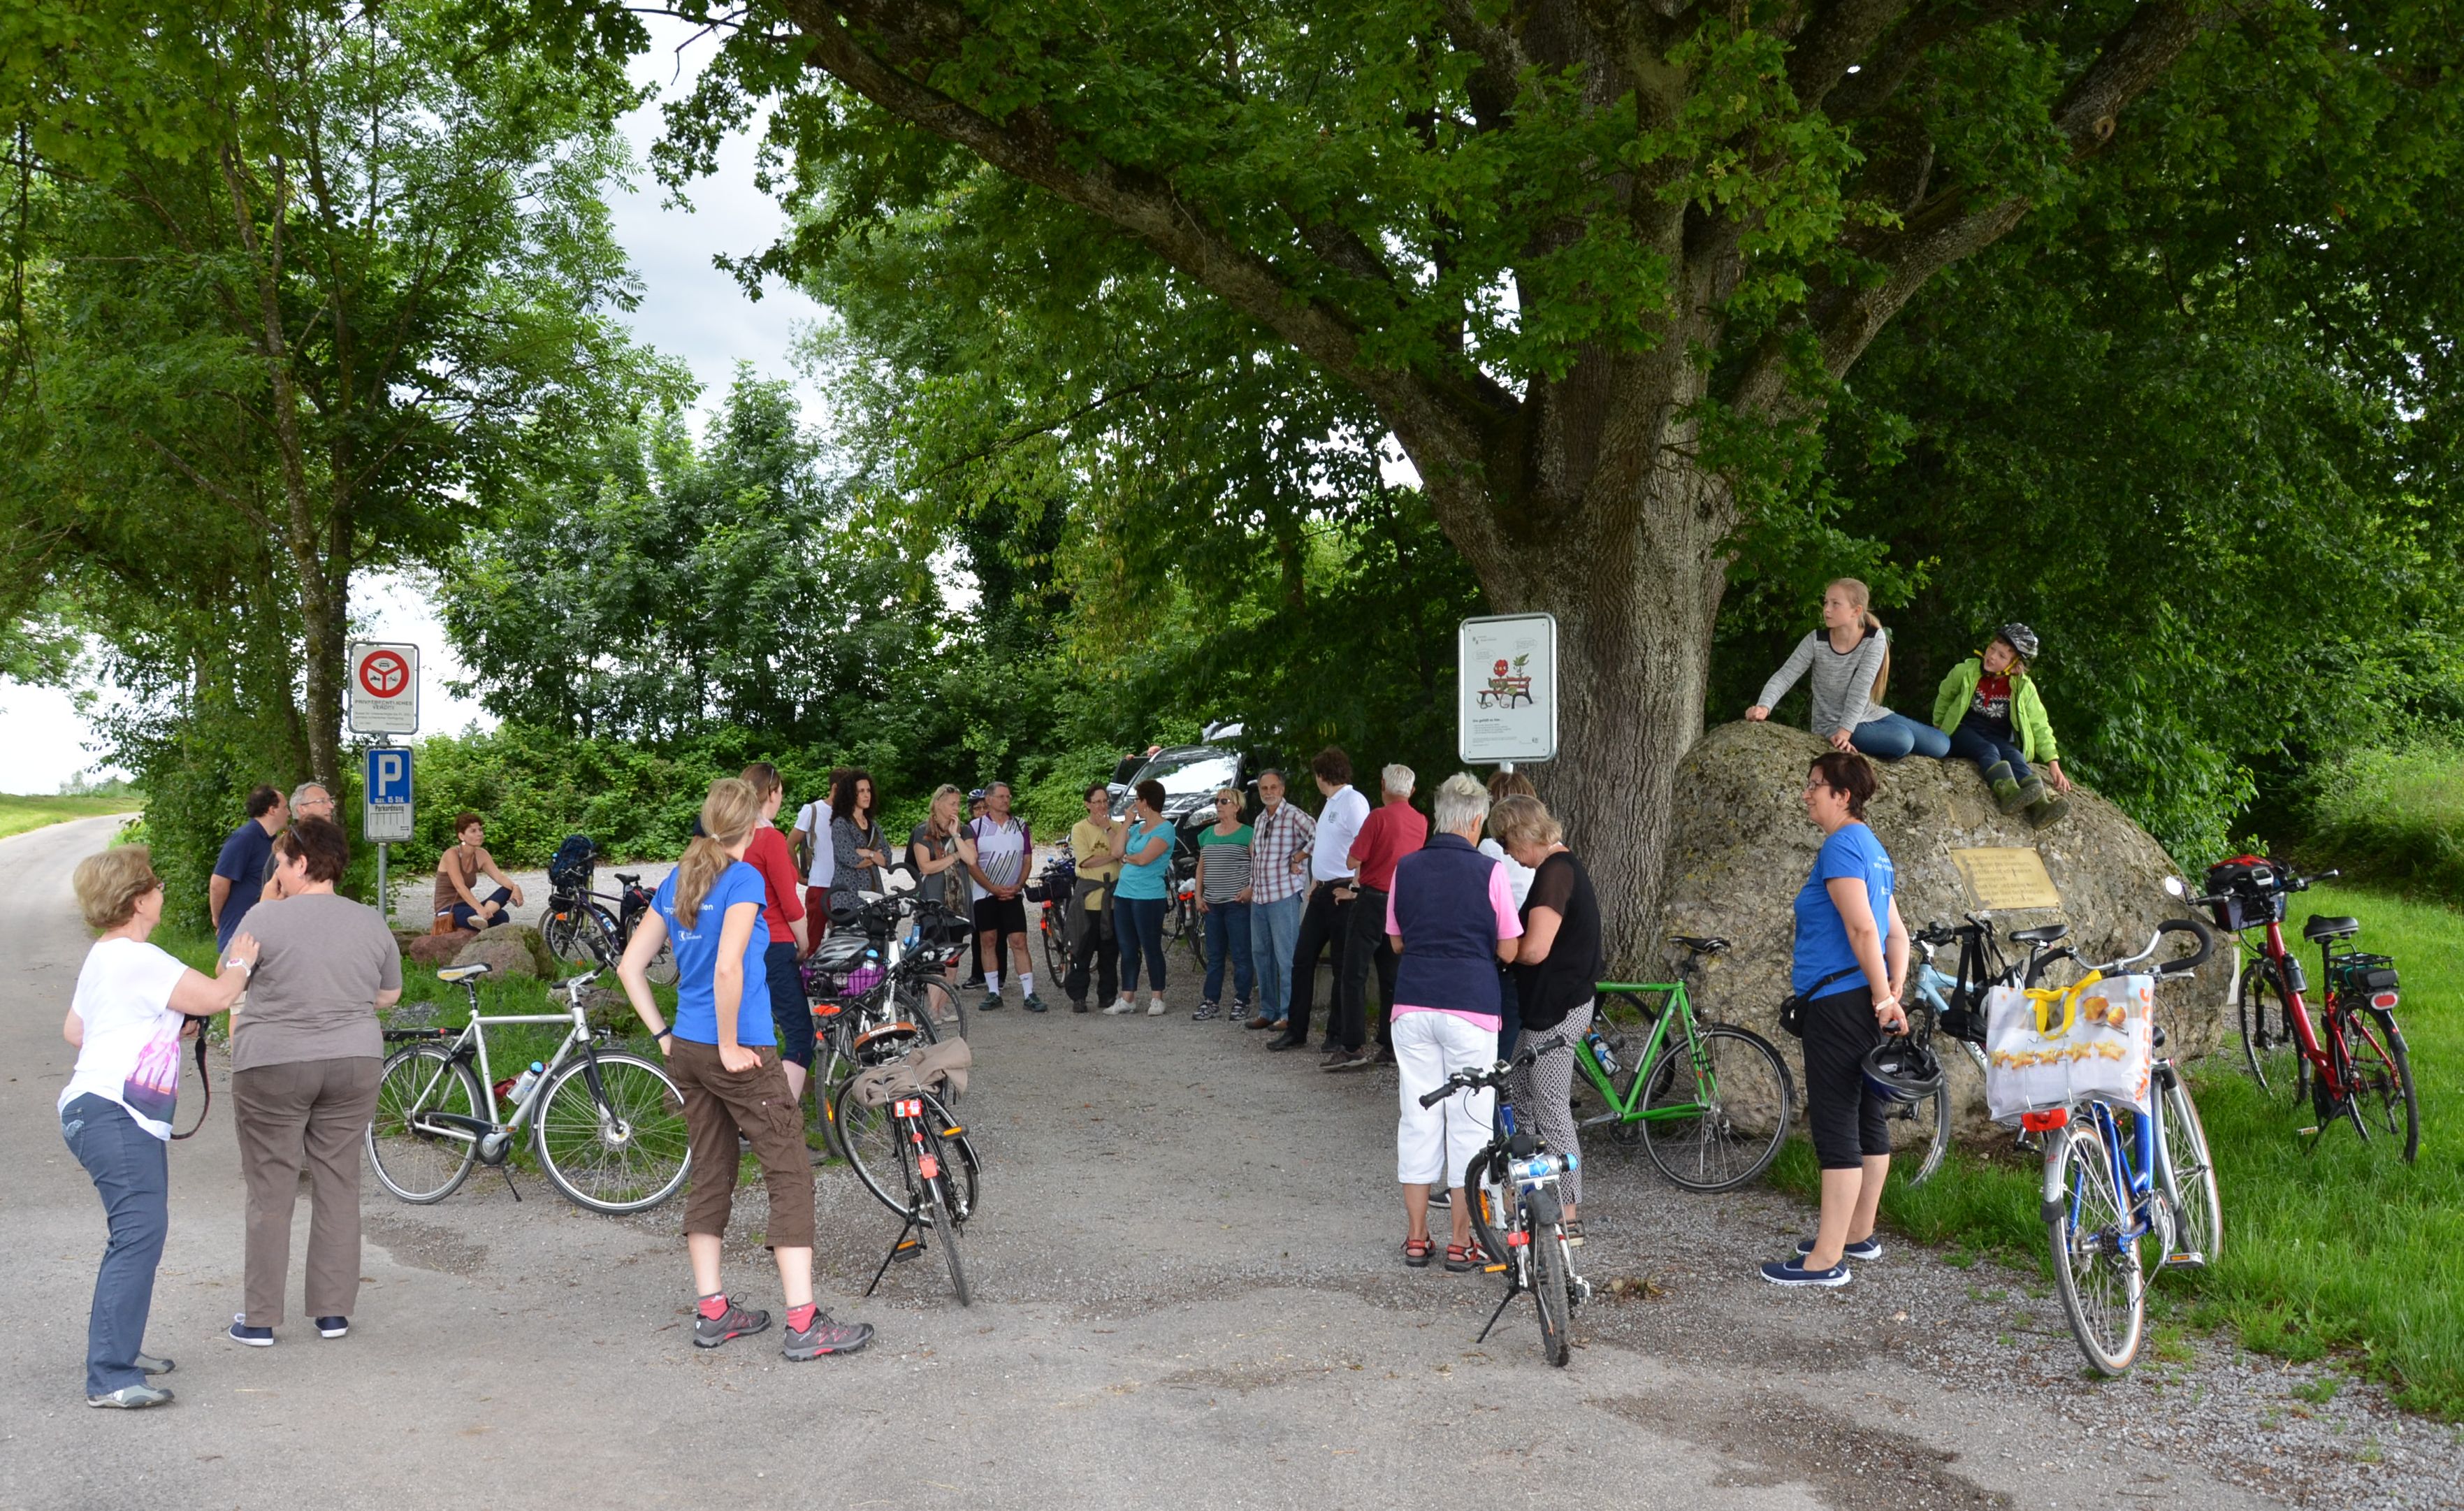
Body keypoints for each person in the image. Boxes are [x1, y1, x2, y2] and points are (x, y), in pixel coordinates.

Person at [616, 778, 874, 1360]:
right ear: (754, 822)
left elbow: (632, 968)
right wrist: (732, 1043)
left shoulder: (679, 880)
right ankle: (804, 1324)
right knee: (790, 1173)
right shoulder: (742, 878)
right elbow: (730, 967)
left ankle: (714, 1312)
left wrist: (663, 1035)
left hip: (686, 1049)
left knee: (711, 1171)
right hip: (741, 1053)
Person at [58, 846, 258, 1407]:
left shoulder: (104, 956)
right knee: (139, 1236)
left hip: (92, 1109)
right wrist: (241, 957)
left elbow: (79, 1031)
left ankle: (118, 1347)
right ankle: (110, 1376)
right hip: (115, 1113)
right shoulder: (140, 959)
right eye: (156, 882)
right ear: (140, 898)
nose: (161, 890)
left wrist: (163, 1023)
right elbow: (222, 995)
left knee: (133, 1236)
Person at [226, 816, 399, 1345]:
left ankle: (259, 1319)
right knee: (338, 1182)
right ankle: (332, 1313)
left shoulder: (263, 917)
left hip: (273, 1062)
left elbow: (228, 978)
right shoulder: (370, 920)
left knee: (271, 1187)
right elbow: (388, 994)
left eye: (281, 861)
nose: (276, 870)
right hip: (353, 1061)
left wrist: (271, 901)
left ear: (300, 863)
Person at [1765, 750, 1911, 1287]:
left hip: (1838, 1003)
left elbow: (1863, 931)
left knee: (1835, 1123)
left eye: (1815, 785)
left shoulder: (1842, 846)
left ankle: (1825, 1260)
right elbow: (1898, 935)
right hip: (1863, 1004)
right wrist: (1892, 992)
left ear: (1842, 795)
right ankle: (1857, 1235)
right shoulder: (1873, 849)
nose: (1807, 794)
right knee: (1866, 1115)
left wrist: (1882, 997)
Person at [1386, 774, 1522, 1272]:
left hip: (1414, 1003)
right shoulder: (1490, 872)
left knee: (1417, 1118)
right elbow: (1508, 947)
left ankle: (1417, 1237)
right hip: (1471, 1004)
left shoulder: (1407, 868)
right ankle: (1462, 1241)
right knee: (1468, 1124)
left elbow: (1397, 942)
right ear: (1474, 821)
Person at [1491, 794, 1604, 1241]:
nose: (1505, 851)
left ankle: (1568, 1216)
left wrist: (1501, 949)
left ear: (1523, 832)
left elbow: (1535, 948)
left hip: (1560, 1007)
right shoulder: (1555, 870)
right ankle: (1535, 1197)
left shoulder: (1556, 873)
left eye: (1506, 840)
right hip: (1547, 1008)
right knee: (1519, 1091)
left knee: (1552, 1107)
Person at [1746, 578, 1950, 761]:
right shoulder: (1816, 640)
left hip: (1866, 715)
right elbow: (1785, 676)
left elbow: (1860, 689)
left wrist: (1847, 732)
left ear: (1856, 611)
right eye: (1826, 602)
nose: (1827, 609)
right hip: (1832, 725)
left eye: (1835, 604)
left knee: (1941, 744)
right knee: (1902, 740)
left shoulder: (1874, 638)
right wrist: (1764, 707)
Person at [1268, 747, 1370, 1053]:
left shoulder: (1353, 802)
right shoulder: (1331, 804)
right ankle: (1297, 1029)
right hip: (1323, 889)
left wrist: (1355, 887)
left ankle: (1336, 1033)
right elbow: (1329, 847)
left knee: (1342, 963)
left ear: (1322, 775)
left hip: (1342, 891)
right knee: (1302, 959)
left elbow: (1365, 847)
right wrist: (1316, 879)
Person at [1331, 764, 1426, 1071]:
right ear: (1412, 790)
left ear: (1383, 785)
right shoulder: (1421, 821)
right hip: (1403, 902)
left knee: (1354, 972)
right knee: (1392, 974)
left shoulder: (1378, 817)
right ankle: (1390, 1044)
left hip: (1372, 899)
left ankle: (1352, 1044)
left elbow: (1354, 859)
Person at [1932, 622, 2072, 827]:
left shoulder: (2023, 687)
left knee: (2014, 755)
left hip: (1996, 734)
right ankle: (2008, 794)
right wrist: (1938, 726)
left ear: (2015, 665)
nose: (1992, 656)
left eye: (2002, 656)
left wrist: (2053, 762)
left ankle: (2040, 806)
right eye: (1992, 649)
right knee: (1987, 751)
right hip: (1963, 729)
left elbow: (2039, 723)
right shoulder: (1966, 671)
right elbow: (1945, 695)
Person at [738, 764, 813, 1103]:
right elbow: (790, 902)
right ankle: (779, 1119)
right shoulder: (770, 838)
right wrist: (805, 942)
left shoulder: (732, 837)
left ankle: (748, 1114)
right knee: (800, 1034)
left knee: (752, 1033)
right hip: (775, 942)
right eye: (780, 792)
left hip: (738, 945)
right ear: (771, 793)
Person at [1242, 769, 1314, 1032]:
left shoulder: (1294, 815)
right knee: (1261, 956)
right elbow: (1257, 857)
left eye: (1273, 787)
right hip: (1260, 896)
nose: (1269, 792)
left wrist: (1298, 858)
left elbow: (1318, 835)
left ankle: (1288, 1013)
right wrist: (1252, 887)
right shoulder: (1261, 819)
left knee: (1286, 957)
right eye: (1264, 788)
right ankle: (1268, 1010)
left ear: (1282, 789)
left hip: (1283, 895)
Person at [966, 782, 1044, 1013]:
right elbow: (971, 863)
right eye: (1001, 796)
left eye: (1008, 796)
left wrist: (1018, 885)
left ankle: (1029, 993)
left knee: (1019, 941)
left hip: (1013, 892)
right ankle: (993, 992)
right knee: (988, 940)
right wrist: (991, 887)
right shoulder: (975, 827)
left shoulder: (1020, 825)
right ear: (988, 800)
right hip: (984, 893)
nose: (1006, 800)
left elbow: (1027, 859)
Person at [1477, 769, 1539, 1053]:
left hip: (1508, 940)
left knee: (1507, 1024)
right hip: (1540, 933)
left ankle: (1499, 1090)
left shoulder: (1491, 847)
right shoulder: (1542, 847)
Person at [1103, 779, 1174, 1015]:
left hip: (1148, 896)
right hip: (1124, 893)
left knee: (1150, 944)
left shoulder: (1165, 829)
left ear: (1146, 802)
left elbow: (1145, 858)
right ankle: (1128, 997)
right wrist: (1127, 823)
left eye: (1137, 799)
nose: (1134, 803)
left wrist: (1127, 858)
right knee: (1127, 946)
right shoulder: (1135, 829)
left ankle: (1157, 997)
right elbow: (1115, 851)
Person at [1192, 787, 1254, 1022]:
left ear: (1237, 806)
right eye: (1216, 801)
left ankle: (1242, 1000)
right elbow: (1202, 867)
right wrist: (1198, 896)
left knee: (1241, 954)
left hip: (1236, 903)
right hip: (1212, 904)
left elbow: (1256, 864)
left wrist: (1251, 888)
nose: (1219, 805)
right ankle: (1211, 1000)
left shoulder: (1248, 833)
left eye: (1224, 801)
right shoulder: (1207, 834)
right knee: (1215, 955)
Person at [909, 784, 980, 984]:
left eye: (958, 804)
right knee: (935, 953)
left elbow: (972, 859)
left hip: (958, 903)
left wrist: (955, 835)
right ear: (938, 804)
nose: (957, 808)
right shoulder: (923, 832)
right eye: (952, 804)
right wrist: (956, 856)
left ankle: (944, 1003)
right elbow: (925, 867)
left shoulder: (964, 830)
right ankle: (933, 1008)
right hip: (933, 901)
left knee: (953, 955)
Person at [1063, 781, 1122, 1013]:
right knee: (1083, 949)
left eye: (1105, 801)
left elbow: (1123, 853)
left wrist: (1108, 830)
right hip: (1089, 900)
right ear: (1087, 804)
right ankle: (1078, 996)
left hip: (1113, 901)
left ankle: (1107, 995)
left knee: (1109, 951)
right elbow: (1085, 860)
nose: (1102, 806)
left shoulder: (1116, 827)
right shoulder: (1080, 829)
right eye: (1097, 802)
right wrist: (1111, 855)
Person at [210, 783, 287, 950]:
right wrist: (218, 919)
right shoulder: (244, 839)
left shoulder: (273, 841)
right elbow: (218, 883)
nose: (288, 813)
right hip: (240, 927)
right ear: (272, 810)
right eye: (285, 807)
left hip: (264, 926)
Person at [432, 812, 525, 932]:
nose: (479, 834)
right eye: (473, 831)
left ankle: (479, 918)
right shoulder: (451, 854)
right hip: (448, 910)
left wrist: (515, 887)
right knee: (497, 917)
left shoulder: (482, 854)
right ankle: (480, 916)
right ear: (462, 836)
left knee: (503, 914)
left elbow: (499, 877)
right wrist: (480, 909)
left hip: (468, 907)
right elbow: (460, 886)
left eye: (480, 830)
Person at [790, 767, 849, 955]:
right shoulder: (813, 810)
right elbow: (790, 844)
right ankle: (805, 980)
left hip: (845, 886)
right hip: (819, 885)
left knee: (844, 944)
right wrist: (798, 874)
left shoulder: (851, 814)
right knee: (811, 943)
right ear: (836, 787)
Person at [827, 769, 890, 917]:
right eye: (861, 791)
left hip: (875, 897)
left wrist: (867, 853)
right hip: (848, 899)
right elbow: (851, 859)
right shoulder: (841, 824)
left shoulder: (874, 825)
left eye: (868, 790)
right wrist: (874, 856)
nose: (867, 795)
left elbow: (887, 859)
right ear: (850, 794)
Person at [260, 781, 336, 903]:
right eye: (322, 801)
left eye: (330, 800)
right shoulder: (290, 846)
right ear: (302, 808)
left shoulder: (326, 843)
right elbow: (276, 893)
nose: (331, 806)